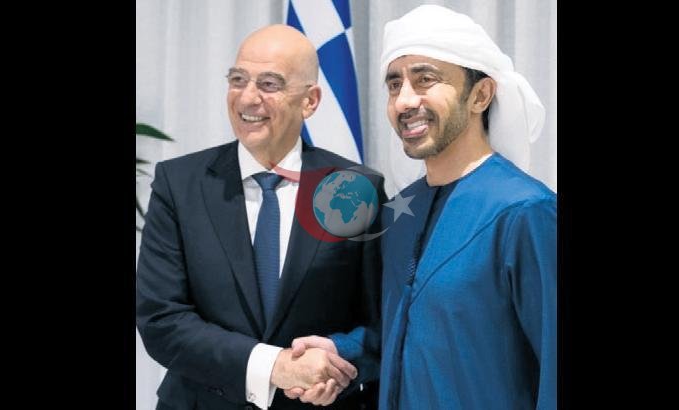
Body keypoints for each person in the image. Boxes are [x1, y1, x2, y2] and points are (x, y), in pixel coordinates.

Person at [285, 5, 556, 409]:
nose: (404, 101)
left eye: (425, 79)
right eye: (395, 85)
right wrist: (341, 353)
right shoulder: (400, 212)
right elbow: (409, 333)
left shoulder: (526, 211)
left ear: (480, 95)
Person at [136, 24, 384, 410]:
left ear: (310, 101)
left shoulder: (357, 188)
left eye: (269, 84)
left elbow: (382, 325)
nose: (247, 98)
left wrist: (337, 364)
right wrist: (274, 367)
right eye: (238, 80)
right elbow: (161, 318)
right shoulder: (179, 183)